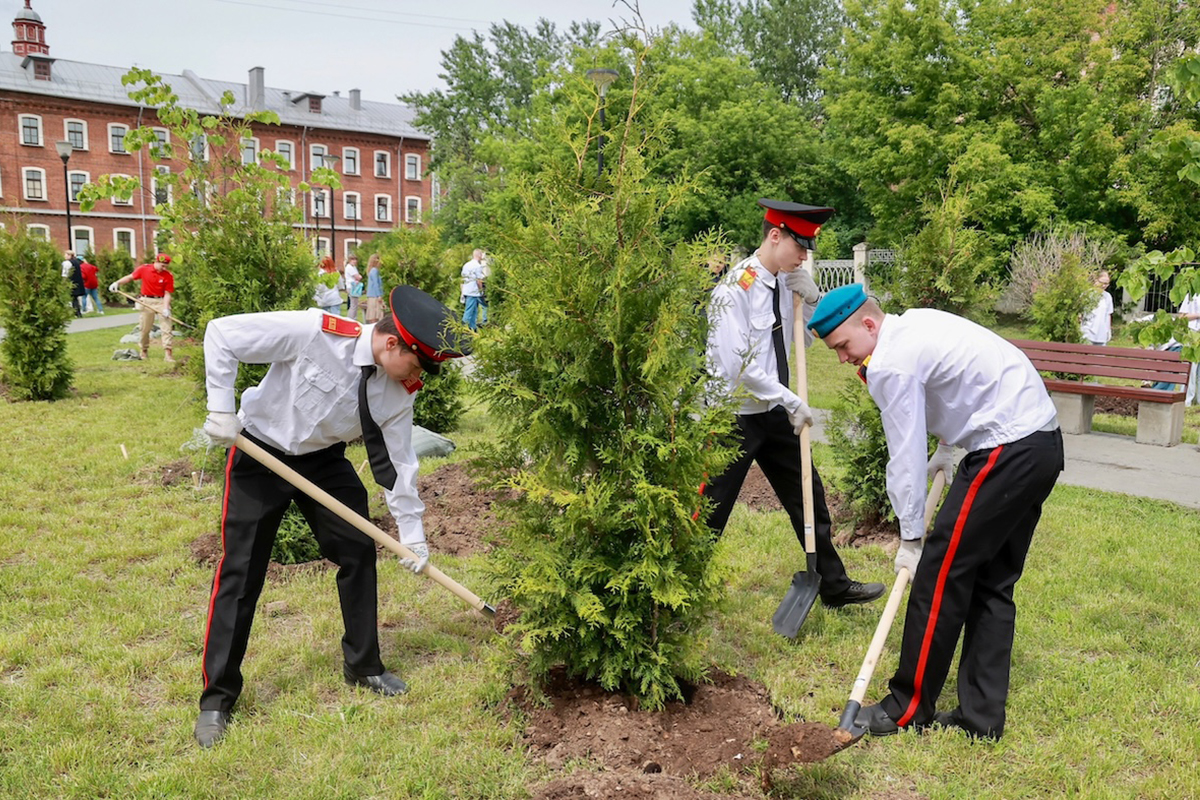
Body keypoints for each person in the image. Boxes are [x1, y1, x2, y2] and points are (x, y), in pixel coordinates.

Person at [195, 285, 472, 749]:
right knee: (241, 572)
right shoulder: (315, 332)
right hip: (260, 451)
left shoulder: (397, 391)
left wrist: (414, 536)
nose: (419, 376)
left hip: (323, 460)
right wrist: (221, 409)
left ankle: (363, 666)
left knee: (358, 550)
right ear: (392, 344)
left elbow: (399, 466)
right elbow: (222, 334)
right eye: (419, 364)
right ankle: (217, 700)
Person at [809, 284, 1064, 741]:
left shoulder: (890, 362)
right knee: (992, 582)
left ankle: (906, 708)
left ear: (868, 324)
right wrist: (949, 446)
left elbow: (904, 456)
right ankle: (980, 720)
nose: (843, 359)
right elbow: (961, 383)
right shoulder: (916, 323)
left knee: (938, 575)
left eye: (843, 346)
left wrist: (911, 537)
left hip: (1005, 450)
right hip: (1041, 442)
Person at [704, 199, 885, 610]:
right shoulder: (736, 289)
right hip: (734, 416)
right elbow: (738, 365)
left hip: (774, 414)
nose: (804, 256)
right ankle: (677, 589)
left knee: (809, 497)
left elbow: (794, 347)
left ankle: (833, 587)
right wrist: (790, 399)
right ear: (774, 235)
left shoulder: (786, 285)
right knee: (710, 508)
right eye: (799, 246)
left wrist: (811, 303)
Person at [110, 253, 175, 361]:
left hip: (161, 301)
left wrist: (166, 308)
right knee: (145, 329)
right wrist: (117, 283)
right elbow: (130, 277)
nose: (163, 268)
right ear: (156, 262)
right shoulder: (144, 269)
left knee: (166, 328)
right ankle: (144, 350)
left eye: (166, 266)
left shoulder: (168, 275)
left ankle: (168, 353)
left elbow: (167, 293)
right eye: (162, 266)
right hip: (146, 301)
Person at [1177, 294, 1200, 405]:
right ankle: (1186, 400)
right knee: (1190, 368)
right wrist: (1198, 315)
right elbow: (1182, 317)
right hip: (1193, 333)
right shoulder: (1193, 293)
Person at [1080, 270, 1113, 345]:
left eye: (1106, 284)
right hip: (1087, 333)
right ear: (1095, 281)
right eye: (1101, 282)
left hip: (1101, 334)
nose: (1103, 286)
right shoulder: (1087, 294)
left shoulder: (1107, 297)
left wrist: (1108, 331)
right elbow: (1080, 313)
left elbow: (1108, 315)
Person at [460, 248, 486, 331]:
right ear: (479, 255)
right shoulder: (477, 266)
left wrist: (462, 291)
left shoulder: (466, 265)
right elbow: (479, 280)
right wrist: (481, 290)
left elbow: (463, 279)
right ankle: (463, 328)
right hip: (473, 291)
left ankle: (473, 328)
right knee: (469, 310)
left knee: (474, 311)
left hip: (467, 290)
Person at [64, 250, 85, 318]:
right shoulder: (76, 262)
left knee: (73, 298)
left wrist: (64, 282)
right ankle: (78, 312)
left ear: (70, 255)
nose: (65, 256)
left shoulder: (67, 263)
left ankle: (76, 312)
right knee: (75, 298)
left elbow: (65, 274)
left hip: (71, 282)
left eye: (66, 254)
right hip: (77, 282)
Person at [364, 253, 385, 323]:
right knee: (376, 314)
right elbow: (376, 284)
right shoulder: (375, 271)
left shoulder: (371, 270)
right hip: (375, 295)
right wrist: (379, 295)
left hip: (371, 295)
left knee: (373, 314)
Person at [344, 254, 364, 321]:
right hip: (352, 287)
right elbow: (358, 277)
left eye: (355, 259)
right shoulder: (349, 267)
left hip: (354, 286)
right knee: (354, 304)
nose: (354, 261)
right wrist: (358, 277)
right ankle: (352, 319)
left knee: (354, 304)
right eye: (352, 260)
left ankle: (351, 318)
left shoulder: (353, 267)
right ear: (349, 260)